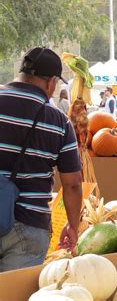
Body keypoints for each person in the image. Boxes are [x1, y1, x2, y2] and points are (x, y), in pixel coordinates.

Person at [0, 47, 82, 271]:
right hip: (29, 227)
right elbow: (72, 183)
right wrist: (73, 226)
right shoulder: (57, 121)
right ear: (51, 83)